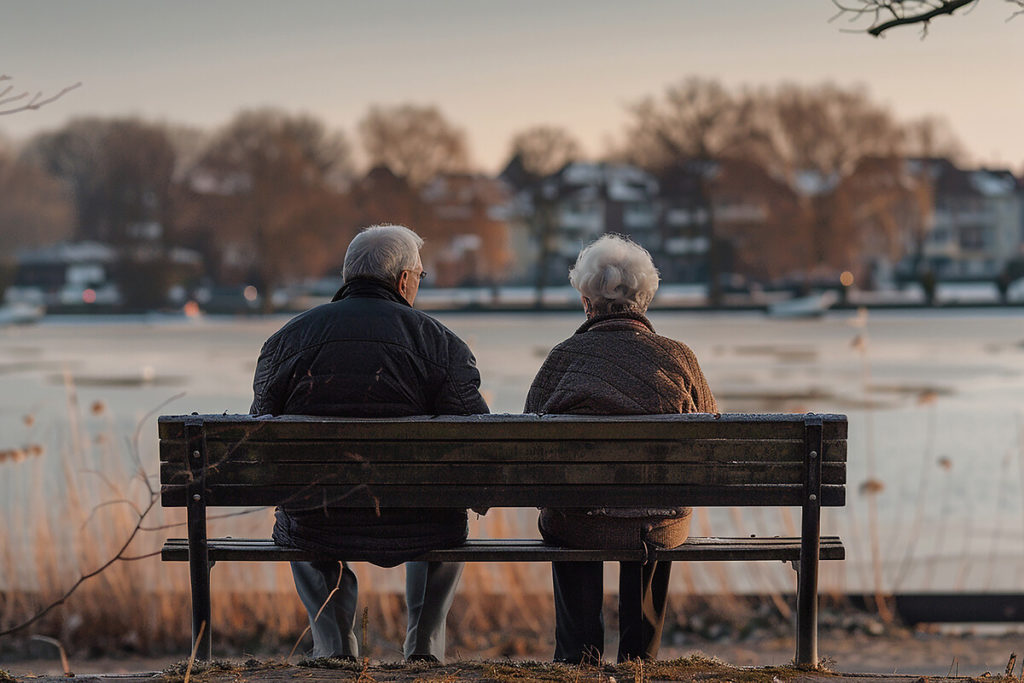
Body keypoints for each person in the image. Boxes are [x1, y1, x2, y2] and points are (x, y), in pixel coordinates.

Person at [250, 224, 489, 662]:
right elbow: (479, 440)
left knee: (298, 511)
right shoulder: (441, 344)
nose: (419, 283)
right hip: (421, 523)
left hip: (319, 521)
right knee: (447, 517)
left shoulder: (286, 341)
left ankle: (336, 648)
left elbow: (260, 436)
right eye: (420, 275)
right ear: (403, 280)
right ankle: (423, 647)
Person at [524, 234, 717, 664]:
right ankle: (639, 660)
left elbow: (530, 451)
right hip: (658, 526)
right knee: (657, 514)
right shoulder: (678, 357)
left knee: (568, 516)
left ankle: (578, 657)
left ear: (586, 300)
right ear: (645, 299)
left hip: (580, 525)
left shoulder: (562, 359)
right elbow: (710, 445)